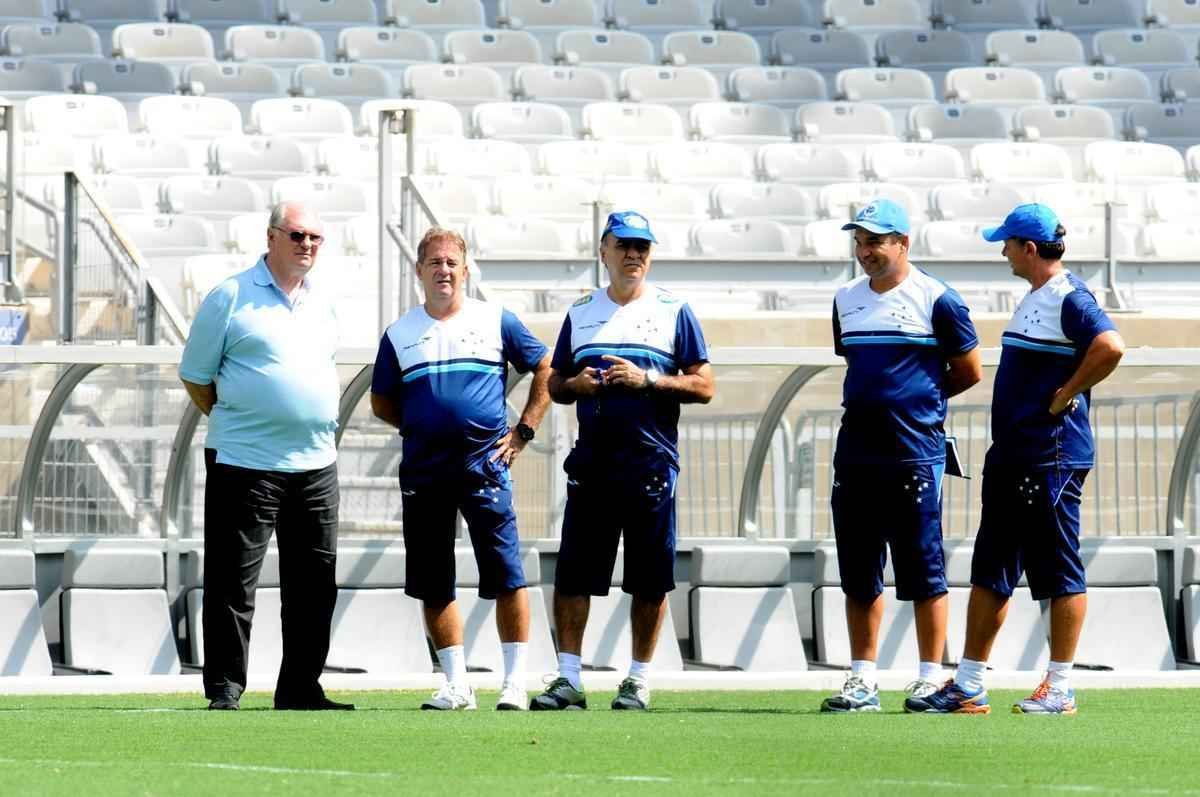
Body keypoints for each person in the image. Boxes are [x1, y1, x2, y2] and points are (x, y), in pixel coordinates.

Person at [906, 204, 1125, 716]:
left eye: (1006, 243)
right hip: (1014, 455)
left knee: (1058, 568)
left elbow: (1111, 346)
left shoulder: (1069, 296)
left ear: (1029, 248)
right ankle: (968, 683)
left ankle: (1061, 685)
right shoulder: (1037, 298)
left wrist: (1066, 392)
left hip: (1049, 456)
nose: (1002, 251)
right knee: (991, 566)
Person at [531, 210, 714, 712]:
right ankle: (569, 677)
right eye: (625, 245)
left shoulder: (675, 311)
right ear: (604, 251)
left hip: (650, 465)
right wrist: (576, 386)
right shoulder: (582, 310)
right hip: (592, 462)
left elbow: (704, 384)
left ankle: (638, 679)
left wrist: (649, 380)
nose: (634, 255)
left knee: (650, 579)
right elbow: (555, 382)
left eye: (643, 247)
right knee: (573, 575)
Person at [179, 201, 353, 711]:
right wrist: (243, 419)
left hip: (316, 462)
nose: (307, 245)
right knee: (234, 582)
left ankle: (300, 687)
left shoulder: (325, 301)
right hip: (245, 460)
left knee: (315, 585)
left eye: (316, 238)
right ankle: (226, 688)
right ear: (272, 236)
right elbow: (196, 376)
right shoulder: (229, 296)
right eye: (298, 235)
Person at [369, 227, 551, 711]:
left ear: (465, 270)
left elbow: (546, 366)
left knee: (507, 573)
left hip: (485, 467)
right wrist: (426, 426)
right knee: (433, 580)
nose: (443, 270)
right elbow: (381, 401)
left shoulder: (495, 320)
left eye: (452, 263)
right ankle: (456, 684)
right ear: (419, 271)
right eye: (434, 262)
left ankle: (514, 682)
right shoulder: (400, 333)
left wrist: (524, 431)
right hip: (425, 471)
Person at [821, 199, 982, 713]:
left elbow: (968, 370)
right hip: (857, 453)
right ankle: (862, 678)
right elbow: (857, 364)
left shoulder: (937, 298)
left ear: (902, 243)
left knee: (922, 568)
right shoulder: (845, 299)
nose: (866, 251)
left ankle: (930, 677)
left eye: (876, 241)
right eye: (860, 242)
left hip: (915, 453)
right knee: (859, 569)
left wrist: (919, 405)